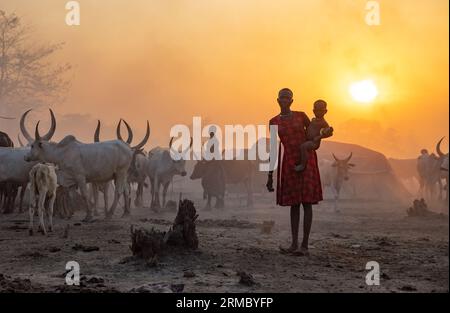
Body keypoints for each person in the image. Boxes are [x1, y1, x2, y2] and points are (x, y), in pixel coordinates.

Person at [266, 88, 323, 256]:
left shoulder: (301, 116)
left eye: (287, 98)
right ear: (277, 100)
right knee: (294, 204)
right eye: (282, 98)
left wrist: (318, 139)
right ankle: (294, 244)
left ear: (292, 101)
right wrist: (270, 175)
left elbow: (313, 133)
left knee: (306, 202)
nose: (284, 100)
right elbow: (274, 149)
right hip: (289, 163)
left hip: (307, 160)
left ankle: (304, 246)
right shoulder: (274, 122)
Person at [295, 100, 333, 172]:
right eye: (316, 110)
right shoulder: (313, 120)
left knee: (304, 146)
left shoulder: (324, 123)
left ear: (325, 111)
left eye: (320, 110)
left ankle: (302, 165)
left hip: (314, 142)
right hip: (308, 139)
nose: (318, 112)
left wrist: (319, 137)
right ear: (313, 110)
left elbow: (329, 133)